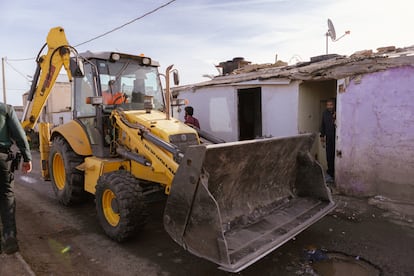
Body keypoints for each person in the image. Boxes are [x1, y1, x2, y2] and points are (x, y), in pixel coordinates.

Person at [0, 102, 32, 254]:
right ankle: (9, 238)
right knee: (7, 196)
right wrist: (27, 158)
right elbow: (19, 135)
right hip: (1, 159)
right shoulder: (5, 109)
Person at [320, 98, 336, 183]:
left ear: (334, 105)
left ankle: (335, 174)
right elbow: (323, 124)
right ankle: (330, 174)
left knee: (335, 156)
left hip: (336, 138)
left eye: (331, 105)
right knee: (328, 155)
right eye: (328, 105)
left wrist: (335, 117)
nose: (329, 106)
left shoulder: (337, 113)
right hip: (328, 138)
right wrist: (322, 136)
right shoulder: (325, 113)